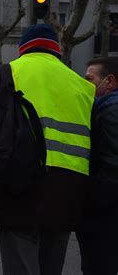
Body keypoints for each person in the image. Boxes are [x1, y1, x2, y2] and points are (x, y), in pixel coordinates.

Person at [0, 24, 95, 275]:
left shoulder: (7, 73)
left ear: (22, 49)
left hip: (17, 191)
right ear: (57, 51)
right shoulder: (83, 86)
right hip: (67, 194)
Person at [77, 57, 118, 275]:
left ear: (109, 81)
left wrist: (90, 203)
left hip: (105, 215)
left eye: (89, 79)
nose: (85, 85)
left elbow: (112, 167)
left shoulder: (111, 112)